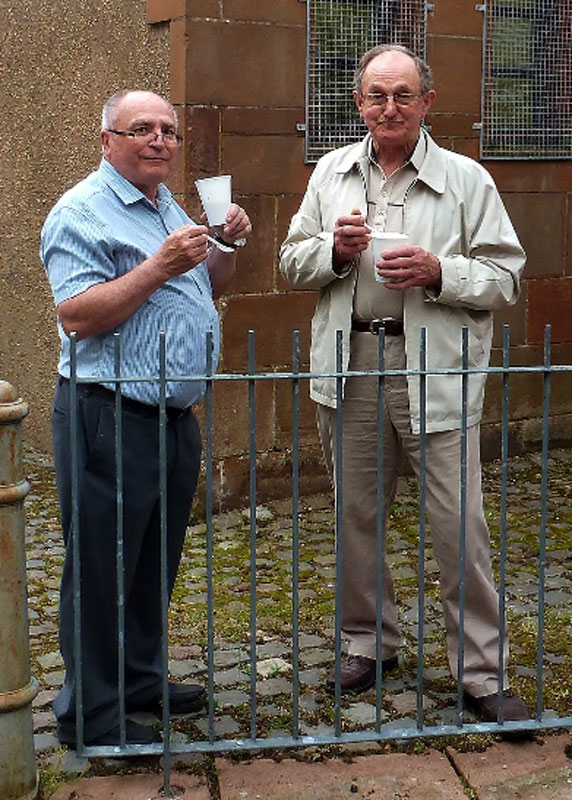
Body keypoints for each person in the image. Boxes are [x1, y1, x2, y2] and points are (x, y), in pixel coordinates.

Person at [280, 45, 529, 723]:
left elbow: (506, 277)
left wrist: (439, 272)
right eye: (376, 95)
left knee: (459, 524)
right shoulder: (330, 173)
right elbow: (291, 261)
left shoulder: (466, 179)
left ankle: (481, 672)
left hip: (435, 365)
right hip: (351, 359)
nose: (389, 107)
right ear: (358, 102)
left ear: (427, 102)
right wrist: (334, 252)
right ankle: (368, 642)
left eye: (403, 95)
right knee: (356, 515)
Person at [41, 89, 252, 748]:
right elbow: (77, 315)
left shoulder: (163, 204)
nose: (160, 139)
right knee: (101, 568)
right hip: (108, 413)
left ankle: (137, 679)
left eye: (169, 130)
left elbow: (208, 285)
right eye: (142, 129)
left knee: (152, 562)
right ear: (108, 141)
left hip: (171, 417)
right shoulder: (80, 212)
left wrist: (223, 246)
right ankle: (92, 716)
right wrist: (159, 265)